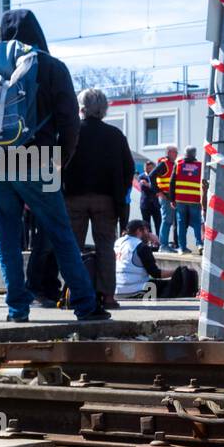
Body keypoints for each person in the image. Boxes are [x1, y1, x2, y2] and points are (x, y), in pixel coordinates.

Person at [0, 8, 107, 323]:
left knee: (5, 237)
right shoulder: (51, 66)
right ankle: (85, 304)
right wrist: (60, 160)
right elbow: (70, 122)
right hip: (39, 159)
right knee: (59, 232)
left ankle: (17, 310)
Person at [62, 88, 133, 309]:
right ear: (104, 110)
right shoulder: (115, 135)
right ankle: (108, 296)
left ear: (81, 108)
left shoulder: (71, 132)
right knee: (106, 247)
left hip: (73, 198)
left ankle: (75, 293)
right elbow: (129, 168)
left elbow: (57, 164)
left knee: (73, 247)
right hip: (106, 200)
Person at [115, 220, 195, 300]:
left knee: (158, 283)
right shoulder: (141, 247)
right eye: (147, 230)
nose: (149, 233)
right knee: (184, 275)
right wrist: (179, 271)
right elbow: (156, 273)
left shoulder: (118, 242)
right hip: (135, 290)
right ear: (139, 230)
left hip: (116, 289)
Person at [166, 146, 203, 253]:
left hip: (180, 200)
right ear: (194, 154)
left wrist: (172, 199)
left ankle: (182, 248)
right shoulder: (200, 166)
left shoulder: (178, 164)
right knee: (196, 223)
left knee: (181, 224)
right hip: (195, 200)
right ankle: (200, 244)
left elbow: (172, 182)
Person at [149, 146, 179, 250]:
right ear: (170, 152)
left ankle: (166, 245)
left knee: (169, 221)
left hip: (170, 197)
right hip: (165, 196)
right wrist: (158, 192)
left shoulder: (173, 164)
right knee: (167, 221)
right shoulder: (164, 164)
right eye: (175, 152)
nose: (177, 154)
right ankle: (163, 246)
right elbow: (151, 176)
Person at [137, 160, 162, 236]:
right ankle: (149, 241)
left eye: (150, 168)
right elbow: (143, 187)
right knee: (146, 225)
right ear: (144, 168)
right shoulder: (141, 176)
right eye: (147, 168)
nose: (148, 169)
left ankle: (159, 241)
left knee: (159, 224)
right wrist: (152, 187)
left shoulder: (157, 177)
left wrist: (149, 185)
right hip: (145, 205)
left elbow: (158, 188)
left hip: (155, 204)